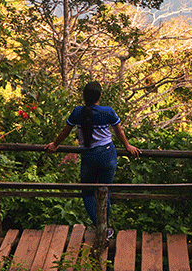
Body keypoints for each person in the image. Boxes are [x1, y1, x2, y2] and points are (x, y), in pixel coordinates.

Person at [45, 81, 141, 236]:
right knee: (105, 189)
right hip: (108, 154)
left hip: (89, 156)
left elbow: (65, 131)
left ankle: (101, 227)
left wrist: (55, 145)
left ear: (84, 96)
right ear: (100, 96)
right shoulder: (107, 111)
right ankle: (105, 226)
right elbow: (119, 132)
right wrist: (128, 146)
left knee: (88, 192)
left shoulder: (77, 112)